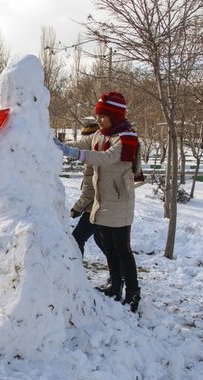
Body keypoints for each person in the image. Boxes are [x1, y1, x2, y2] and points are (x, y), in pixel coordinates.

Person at [55, 91, 142, 312]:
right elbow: (83, 143)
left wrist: (73, 153)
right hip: (102, 203)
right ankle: (115, 285)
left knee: (123, 249)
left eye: (103, 116)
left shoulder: (125, 139)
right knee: (109, 248)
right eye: (98, 115)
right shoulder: (100, 135)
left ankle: (133, 292)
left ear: (115, 115)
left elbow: (106, 158)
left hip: (120, 202)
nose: (99, 120)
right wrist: (56, 143)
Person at [69, 120, 106, 257]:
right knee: (101, 240)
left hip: (95, 210)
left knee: (76, 239)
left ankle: (76, 270)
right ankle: (119, 272)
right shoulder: (98, 158)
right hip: (101, 207)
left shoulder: (92, 162)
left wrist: (76, 209)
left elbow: (89, 192)